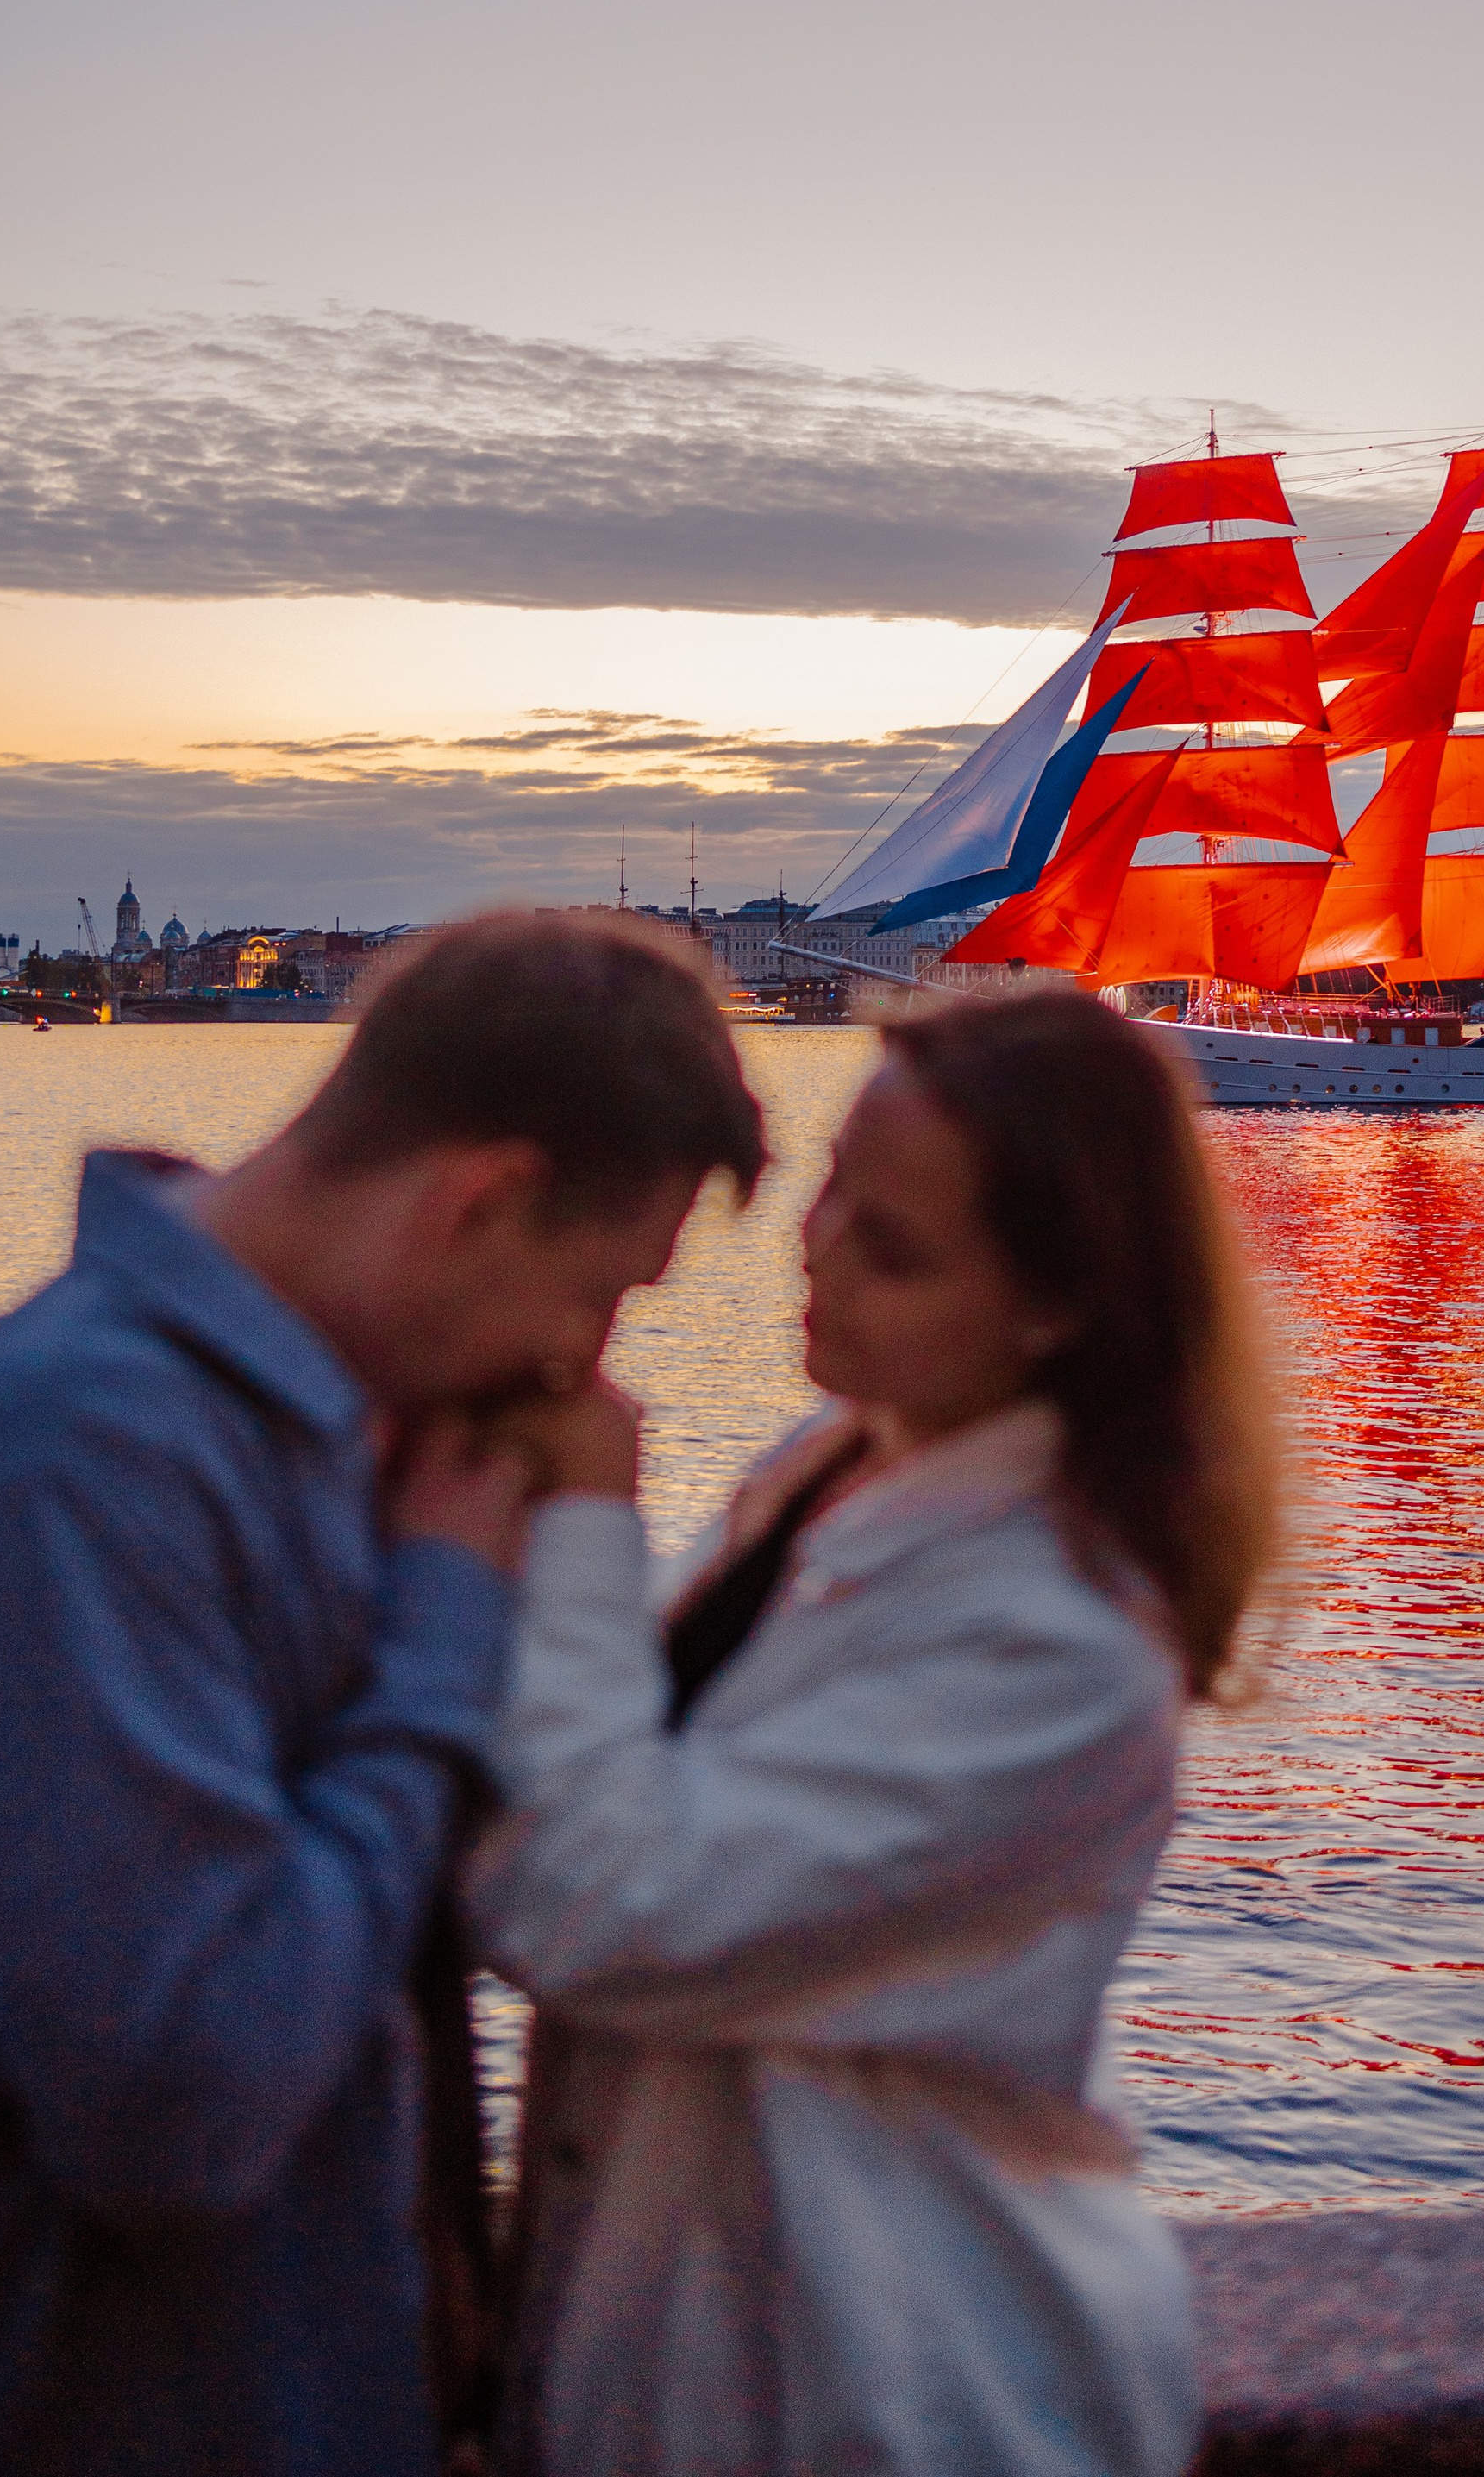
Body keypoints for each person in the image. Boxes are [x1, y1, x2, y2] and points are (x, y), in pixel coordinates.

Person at [0, 913, 764, 2477]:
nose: (587, 1366)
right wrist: (443, 1625)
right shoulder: (78, 1470)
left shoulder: (317, 1440)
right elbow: (185, 2104)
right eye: (598, 1294)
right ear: (478, 1201)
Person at [468, 984, 1275, 2477]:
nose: (816, 1244)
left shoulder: (1062, 1649)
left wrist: (581, 1515)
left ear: (1058, 1307)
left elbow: (600, 1901)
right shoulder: (839, 1466)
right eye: (832, 1183)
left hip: (908, 2393)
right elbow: (623, 1752)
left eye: (892, 1245)